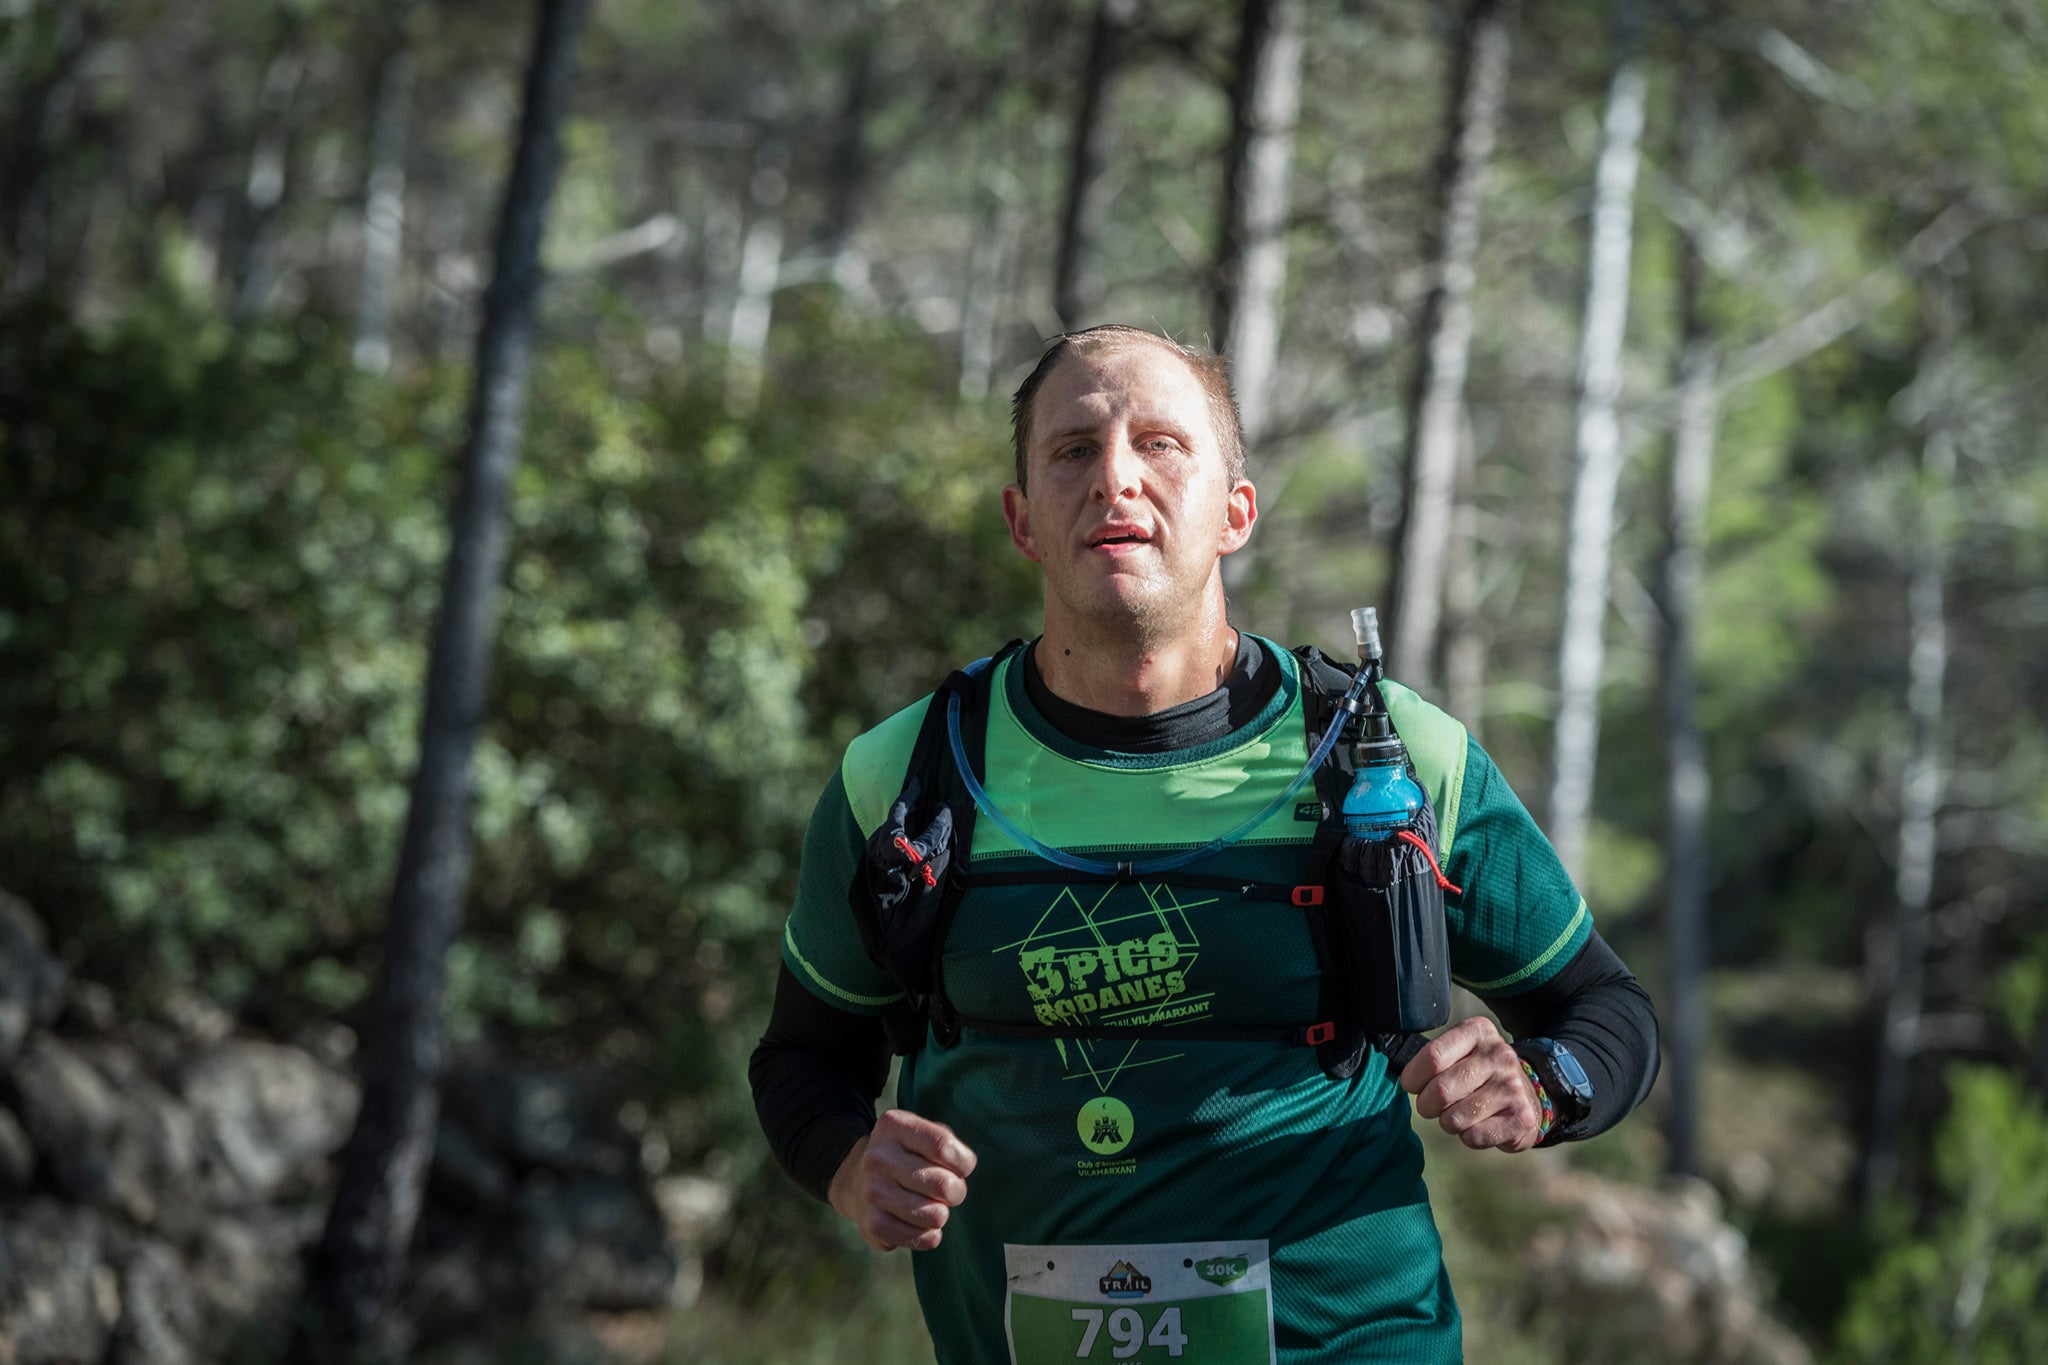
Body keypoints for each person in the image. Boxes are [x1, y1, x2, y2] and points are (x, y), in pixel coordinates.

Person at [750, 325, 1658, 1363]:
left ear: (1236, 512)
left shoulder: (1390, 759)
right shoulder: (903, 780)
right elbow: (801, 1060)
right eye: (1071, 450)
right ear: (1021, 521)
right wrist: (846, 1163)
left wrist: (1544, 1086)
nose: (1114, 479)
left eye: (1159, 444)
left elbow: (1607, 1012)